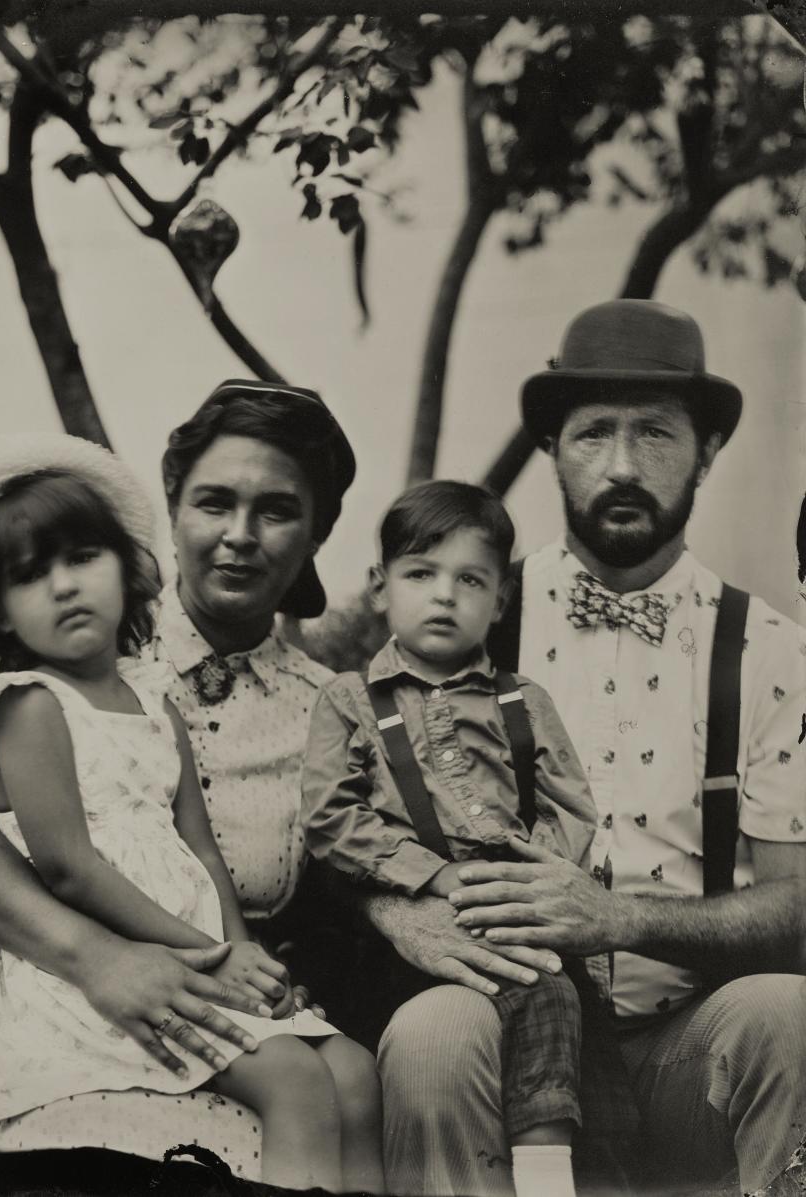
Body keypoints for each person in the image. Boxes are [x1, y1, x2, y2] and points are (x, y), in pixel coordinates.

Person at [373, 300, 806, 1196]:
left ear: (707, 451)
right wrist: (396, 911)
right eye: (591, 434)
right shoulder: (468, 620)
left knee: (792, 1014)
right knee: (429, 1034)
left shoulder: (770, 648)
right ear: (551, 448)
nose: (619, 466)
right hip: (509, 1029)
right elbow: (357, 806)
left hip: (689, 1041)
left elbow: (796, 901)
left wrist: (626, 921)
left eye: (654, 434)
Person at [0, 433, 384, 1194]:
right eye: (31, 576)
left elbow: (201, 847)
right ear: (1, 615)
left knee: (353, 1072)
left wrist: (244, 951)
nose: (63, 586)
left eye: (83, 558)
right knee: (291, 1079)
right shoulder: (29, 706)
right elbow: (69, 866)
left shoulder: (155, 699)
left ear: (127, 568)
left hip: (195, 948)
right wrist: (210, 954)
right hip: (77, 971)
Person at [302, 480, 598, 1197]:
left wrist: (530, 879)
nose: (444, 596)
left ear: (499, 600)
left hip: (511, 901)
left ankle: (546, 1174)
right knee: (432, 1038)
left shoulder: (524, 701)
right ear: (380, 587)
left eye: (470, 580)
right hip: (401, 928)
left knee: (549, 989)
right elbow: (330, 816)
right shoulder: (347, 699)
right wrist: (429, 877)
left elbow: (571, 806)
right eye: (420, 574)